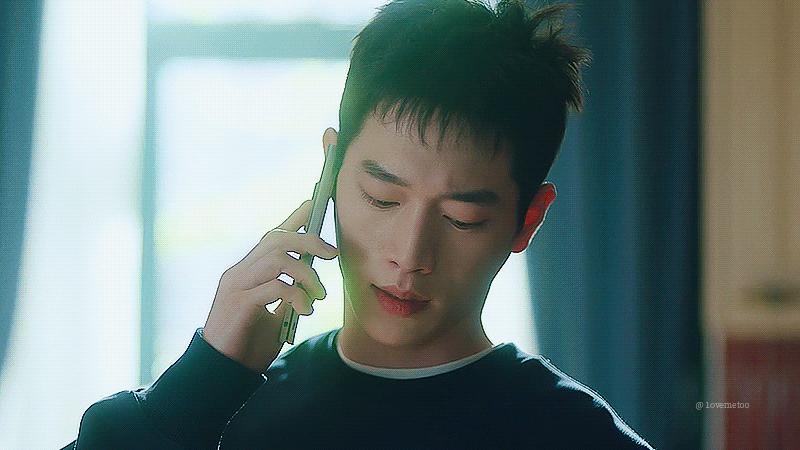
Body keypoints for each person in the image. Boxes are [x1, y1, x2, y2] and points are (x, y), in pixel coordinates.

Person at [64, 0, 652, 448]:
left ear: (527, 221)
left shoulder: (573, 435)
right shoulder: (225, 411)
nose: (410, 254)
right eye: (381, 198)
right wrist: (199, 383)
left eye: (461, 218)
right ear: (330, 171)